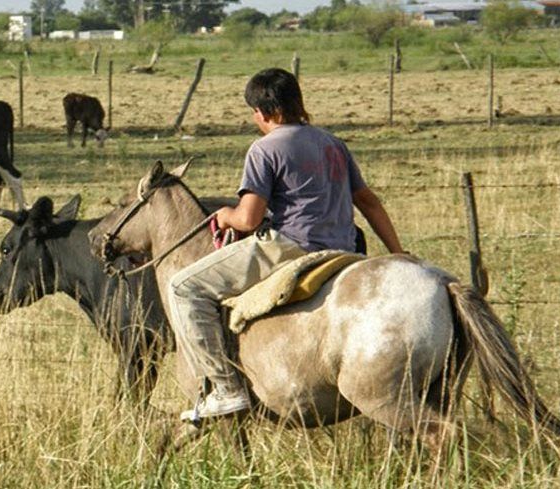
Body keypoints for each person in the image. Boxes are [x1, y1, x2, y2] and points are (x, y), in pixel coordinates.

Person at [168, 68, 404, 422]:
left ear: (265, 112)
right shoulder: (333, 144)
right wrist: (398, 253)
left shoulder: (264, 149)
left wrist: (224, 215)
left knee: (183, 288)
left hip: (291, 246)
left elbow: (248, 219)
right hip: (346, 247)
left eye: (254, 112)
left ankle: (226, 390)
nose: (255, 119)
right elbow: (368, 201)